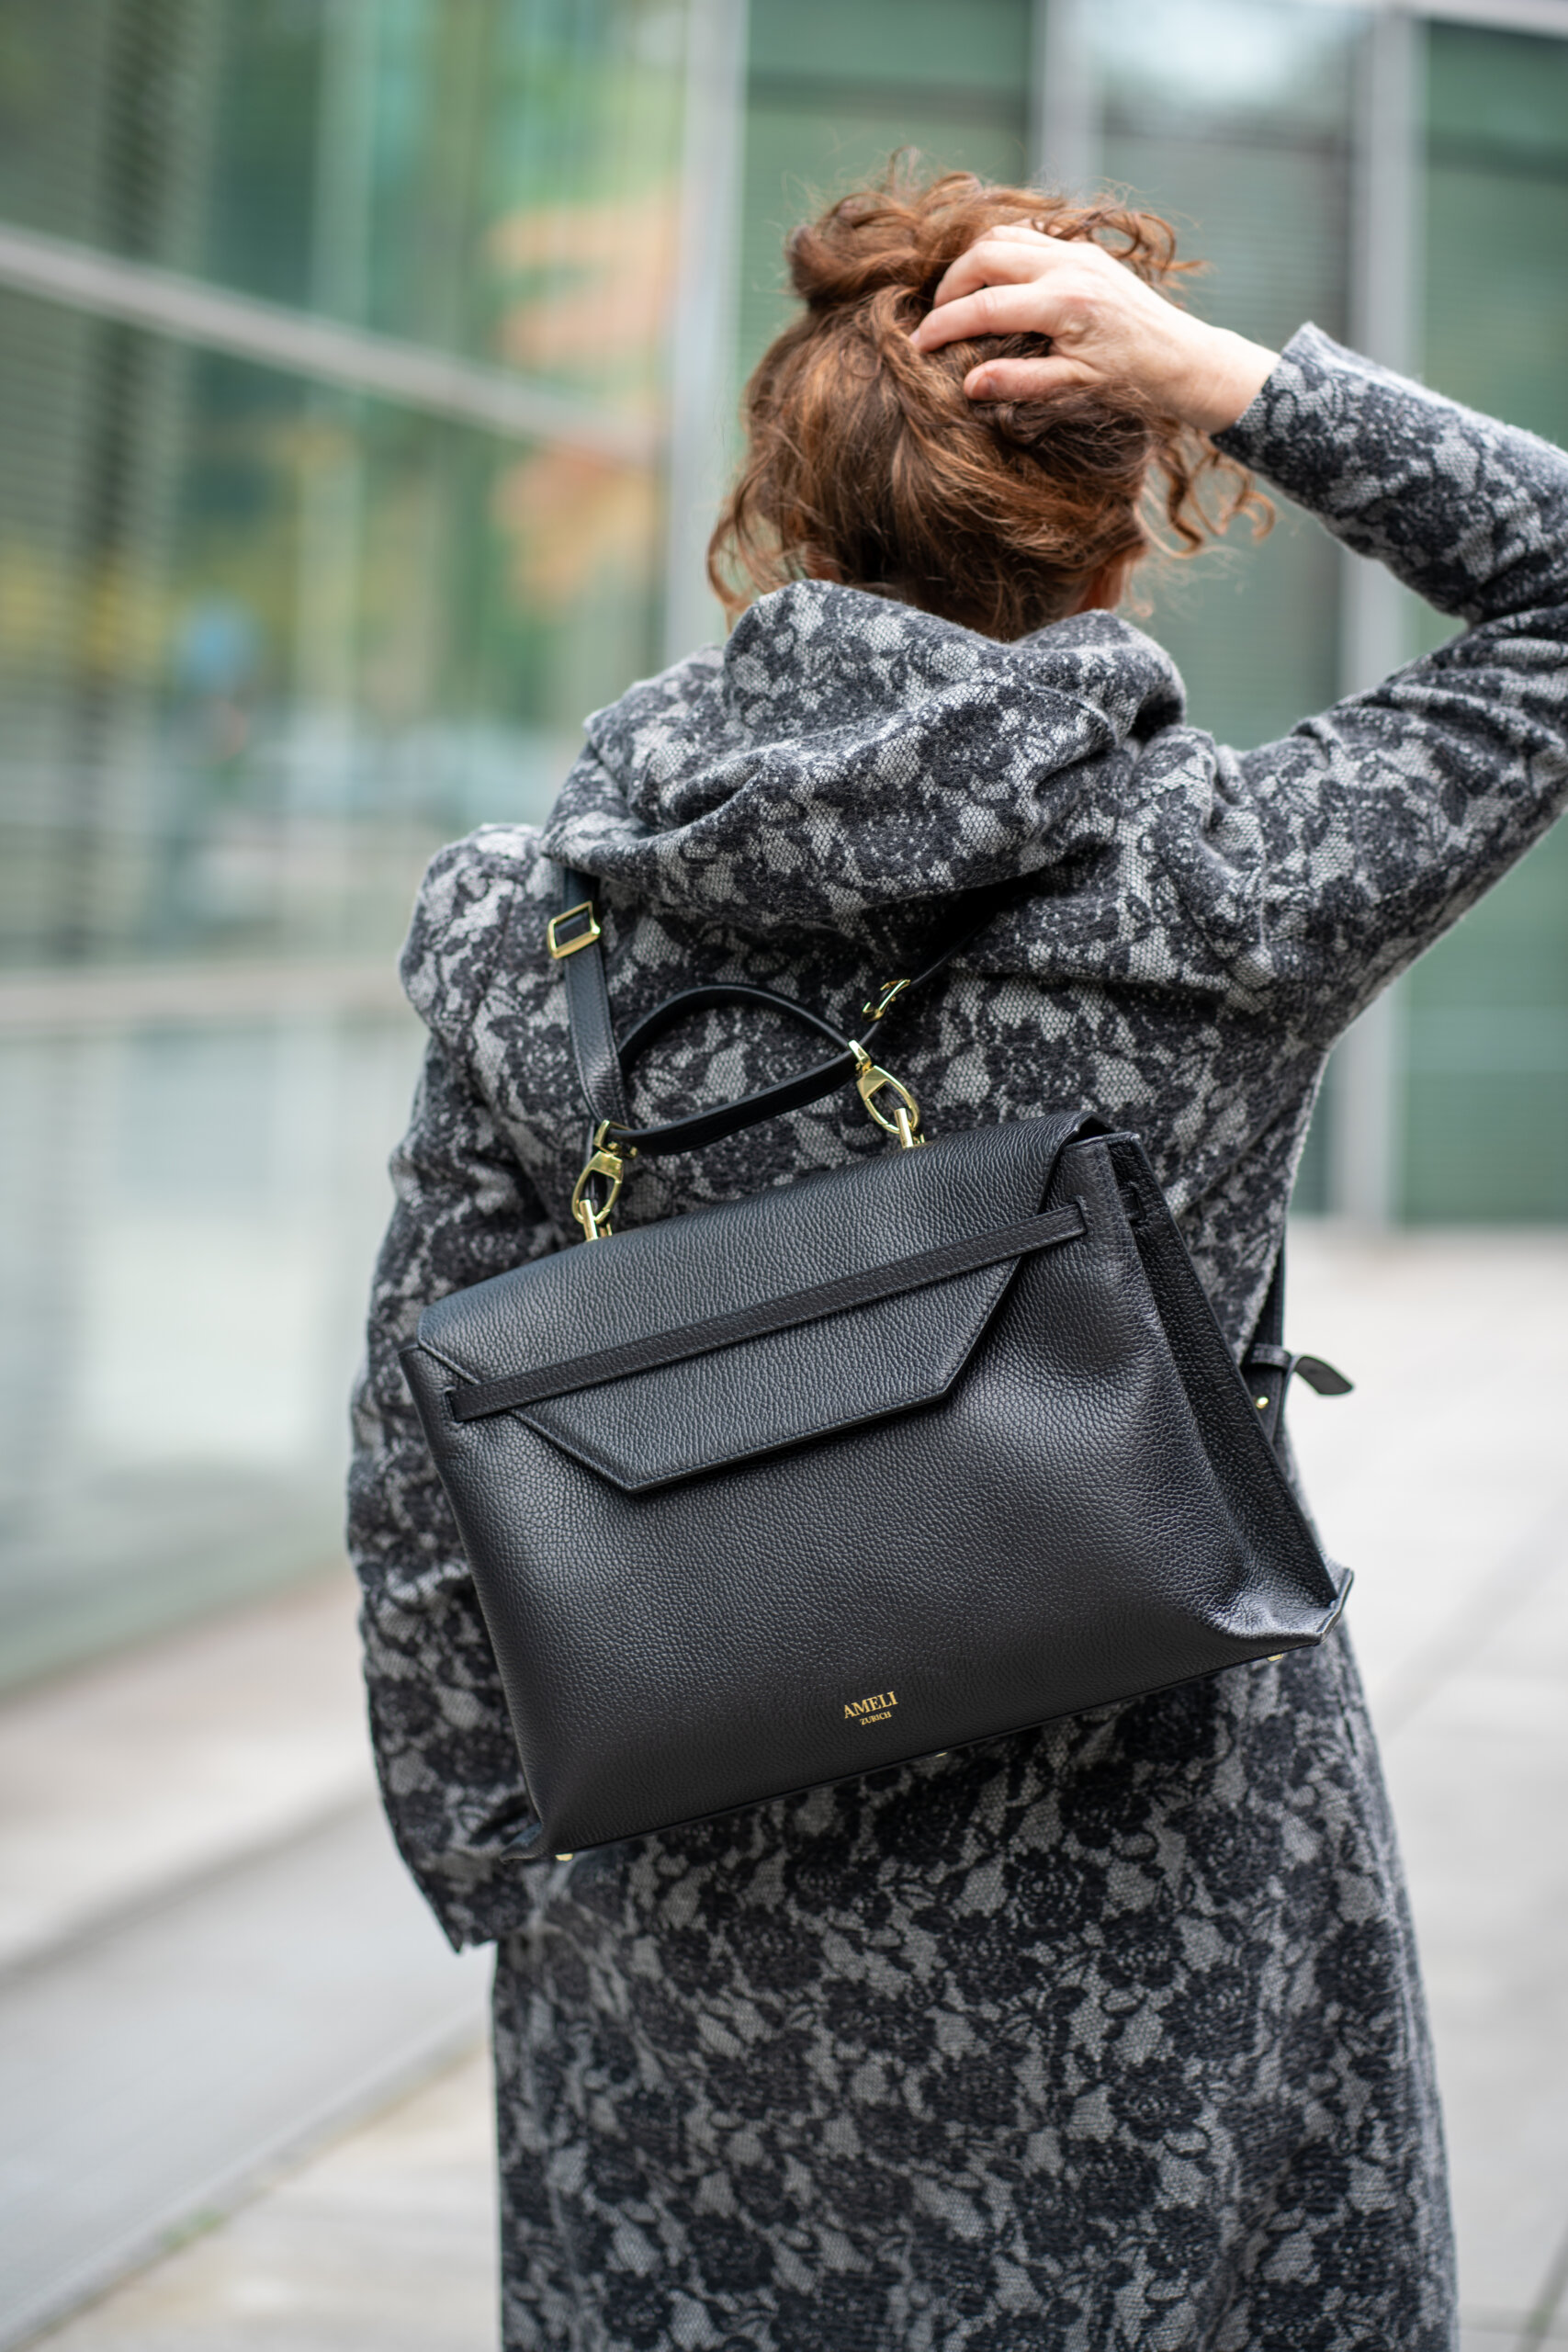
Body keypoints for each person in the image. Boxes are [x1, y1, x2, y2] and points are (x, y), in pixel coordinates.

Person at [349, 169, 1568, 2350]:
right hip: (1168, 1882)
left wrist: (491, 1846)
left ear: (777, 509)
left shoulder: (539, 930)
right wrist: (1231, 379)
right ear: (1119, 512)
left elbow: (418, 1439)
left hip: (685, 1903)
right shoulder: (1217, 885)